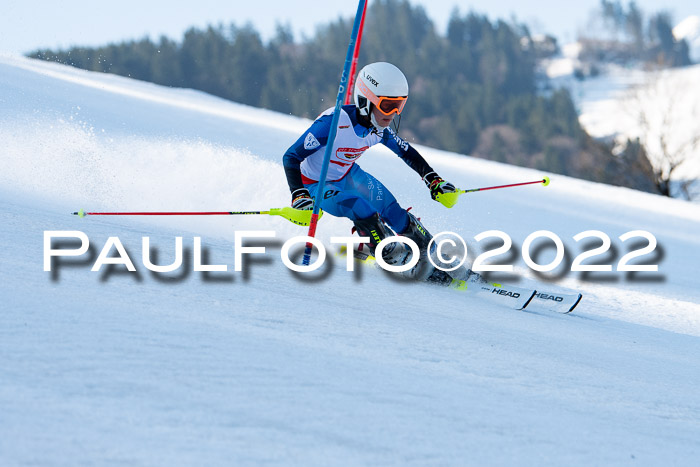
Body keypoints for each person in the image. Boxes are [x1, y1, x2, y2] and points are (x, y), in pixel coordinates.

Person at [282, 62, 461, 283]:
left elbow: (407, 152)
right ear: (365, 100)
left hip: (348, 175)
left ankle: (431, 253)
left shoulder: (379, 129)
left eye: (400, 106)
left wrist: (433, 180)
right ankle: (394, 257)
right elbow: (291, 157)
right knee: (361, 208)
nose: (393, 114)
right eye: (388, 106)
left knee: (393, 211)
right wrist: (299, 195)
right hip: (315, 185)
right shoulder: (334, 123)